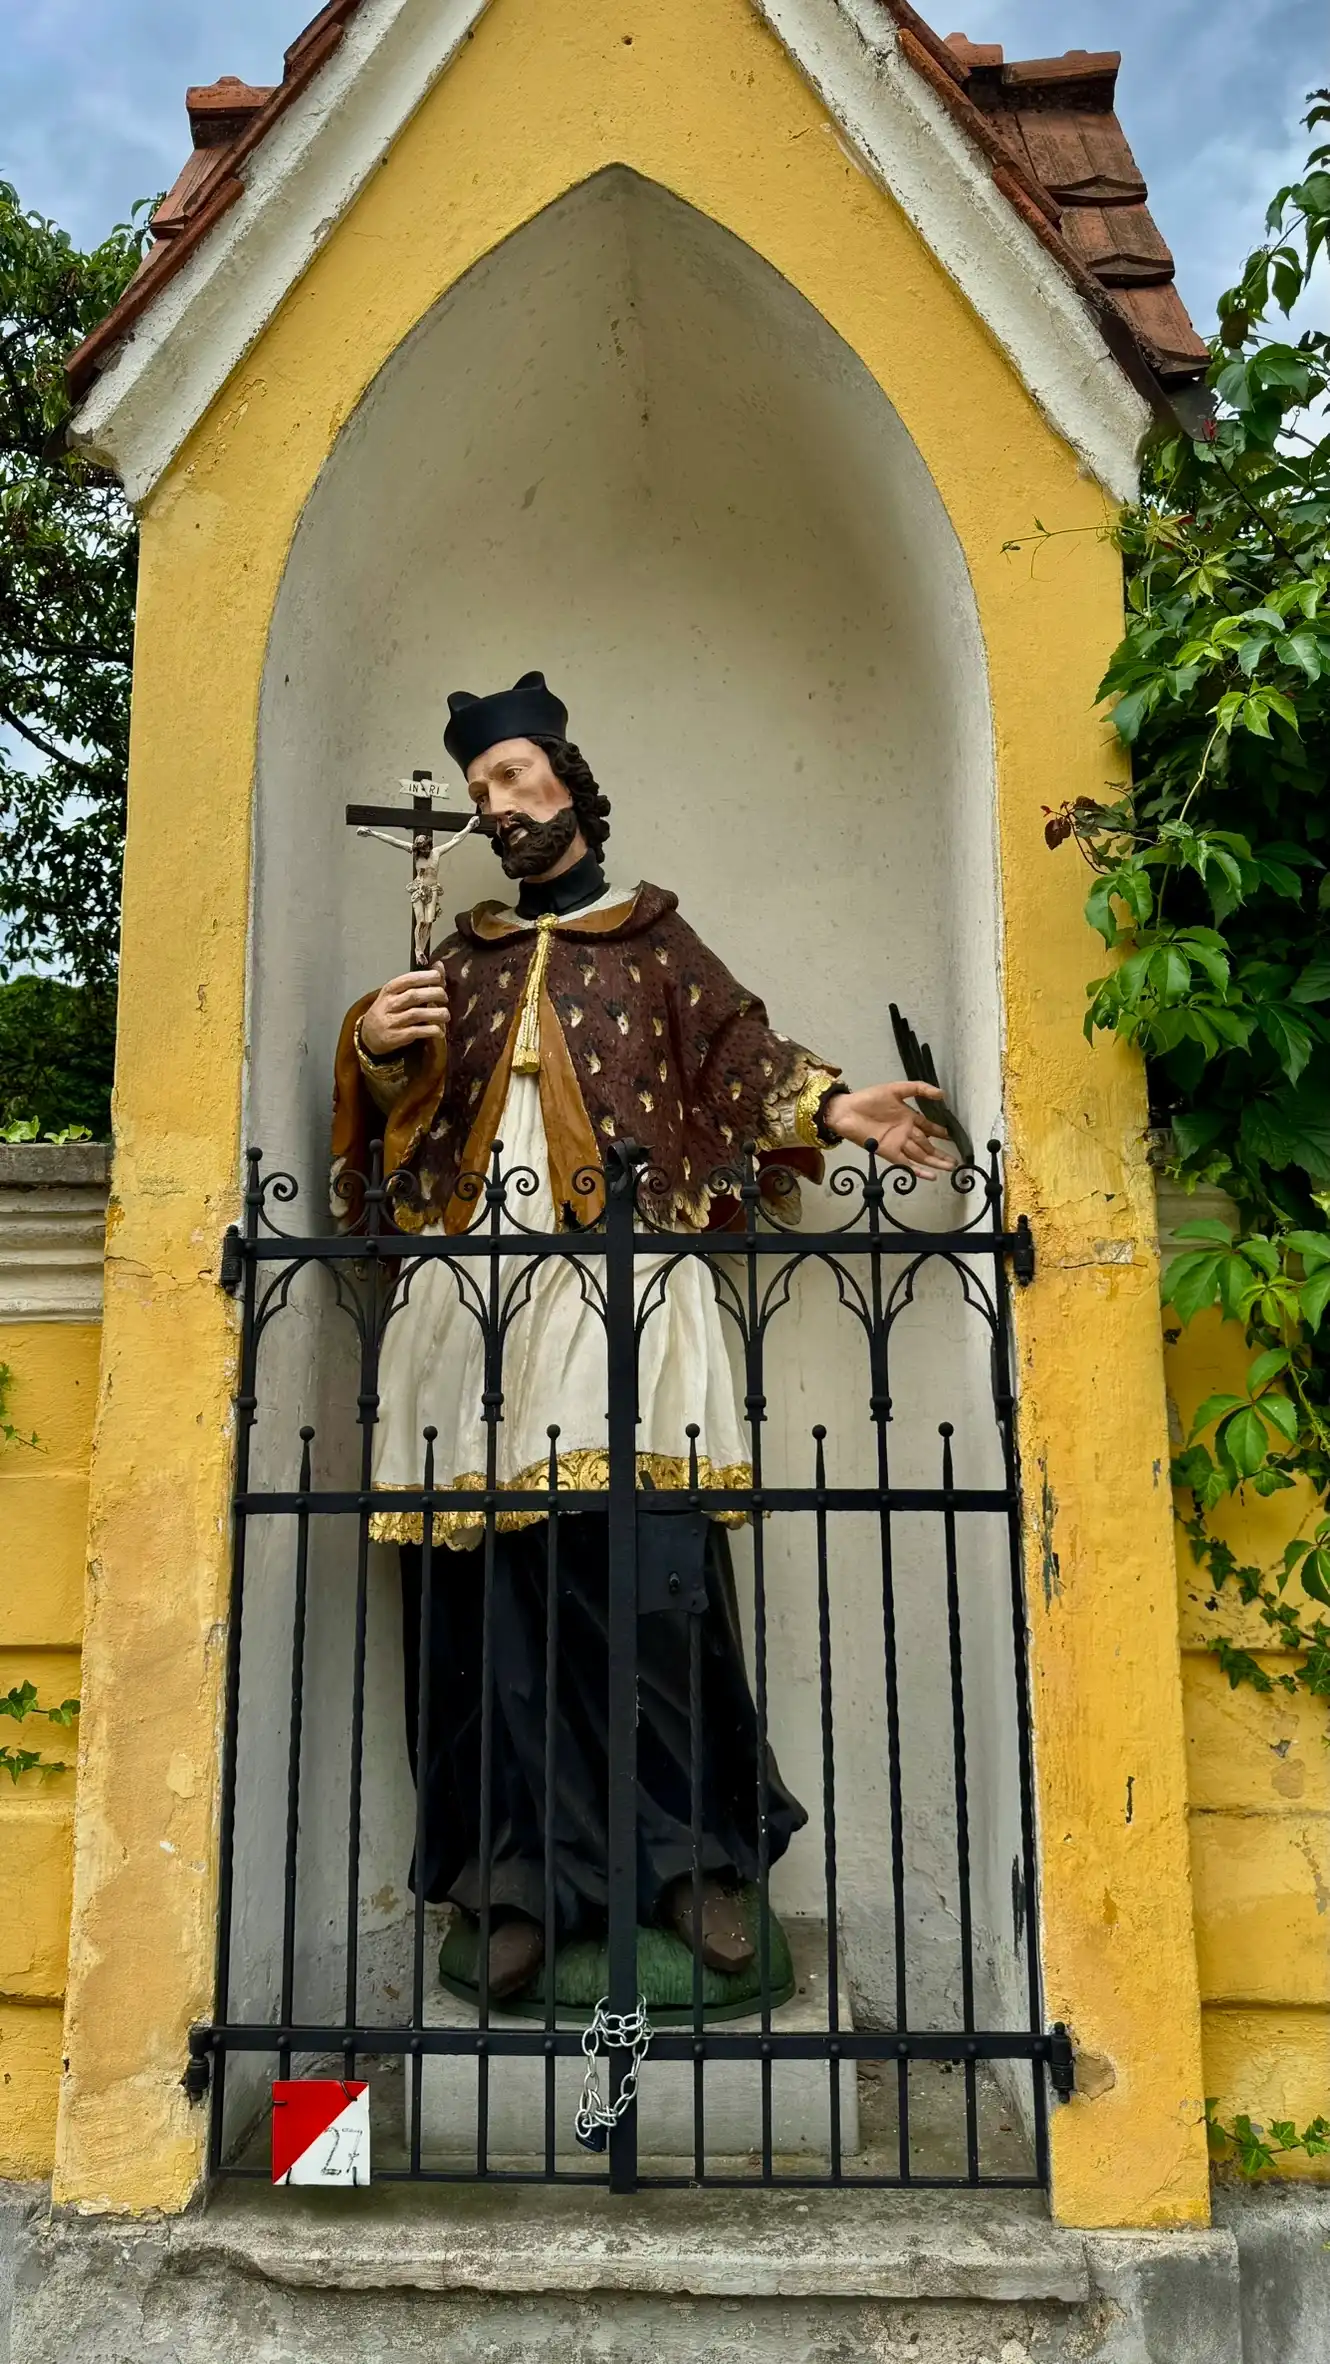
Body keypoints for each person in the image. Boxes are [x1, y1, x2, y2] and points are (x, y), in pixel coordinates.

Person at [332, 671, 955, 1999]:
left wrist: (843, 1112)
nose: (504, 804)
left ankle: (693, 1866)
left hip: (624, 1289)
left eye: (521, 775)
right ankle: (509, 1883)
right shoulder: (460, 962)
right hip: (464, 1296)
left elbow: (749, 1062)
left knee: (650, 1586)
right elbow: (388, 1119)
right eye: (484, 788)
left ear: (572, 778)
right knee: (478, 1609)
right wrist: (376, 1046)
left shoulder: (658, 945)